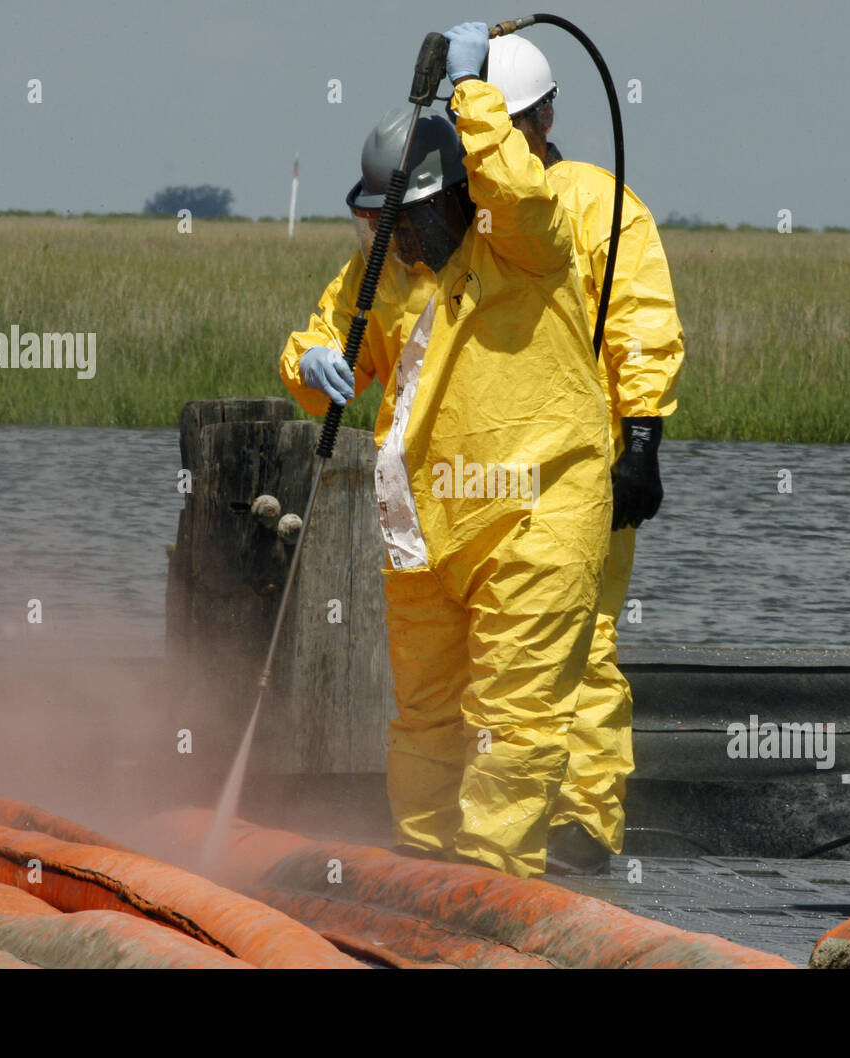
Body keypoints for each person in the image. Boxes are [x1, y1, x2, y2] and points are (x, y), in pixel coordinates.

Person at [278, 22, 611, 879]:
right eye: (384, 221)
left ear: (456, 196)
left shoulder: (526, 242)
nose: (400, 236)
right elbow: (324, 346)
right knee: (425, 712)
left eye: (413, 216)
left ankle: (493, 885)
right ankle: (419, 874)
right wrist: (310, 364)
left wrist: (472, 92)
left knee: (514, 714)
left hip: (537, 514)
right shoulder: (385, 270)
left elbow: (517, 185)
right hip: (424, 523)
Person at [483, 35, 684, 874]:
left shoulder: (593, 201)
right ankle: (496, 813)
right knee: (492, 644)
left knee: (586, 641)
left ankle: (584, 824)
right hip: (488, 473)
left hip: (582, 470)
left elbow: (641, 321)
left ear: (542, 118)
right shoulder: (469, 209)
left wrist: (640, 443)